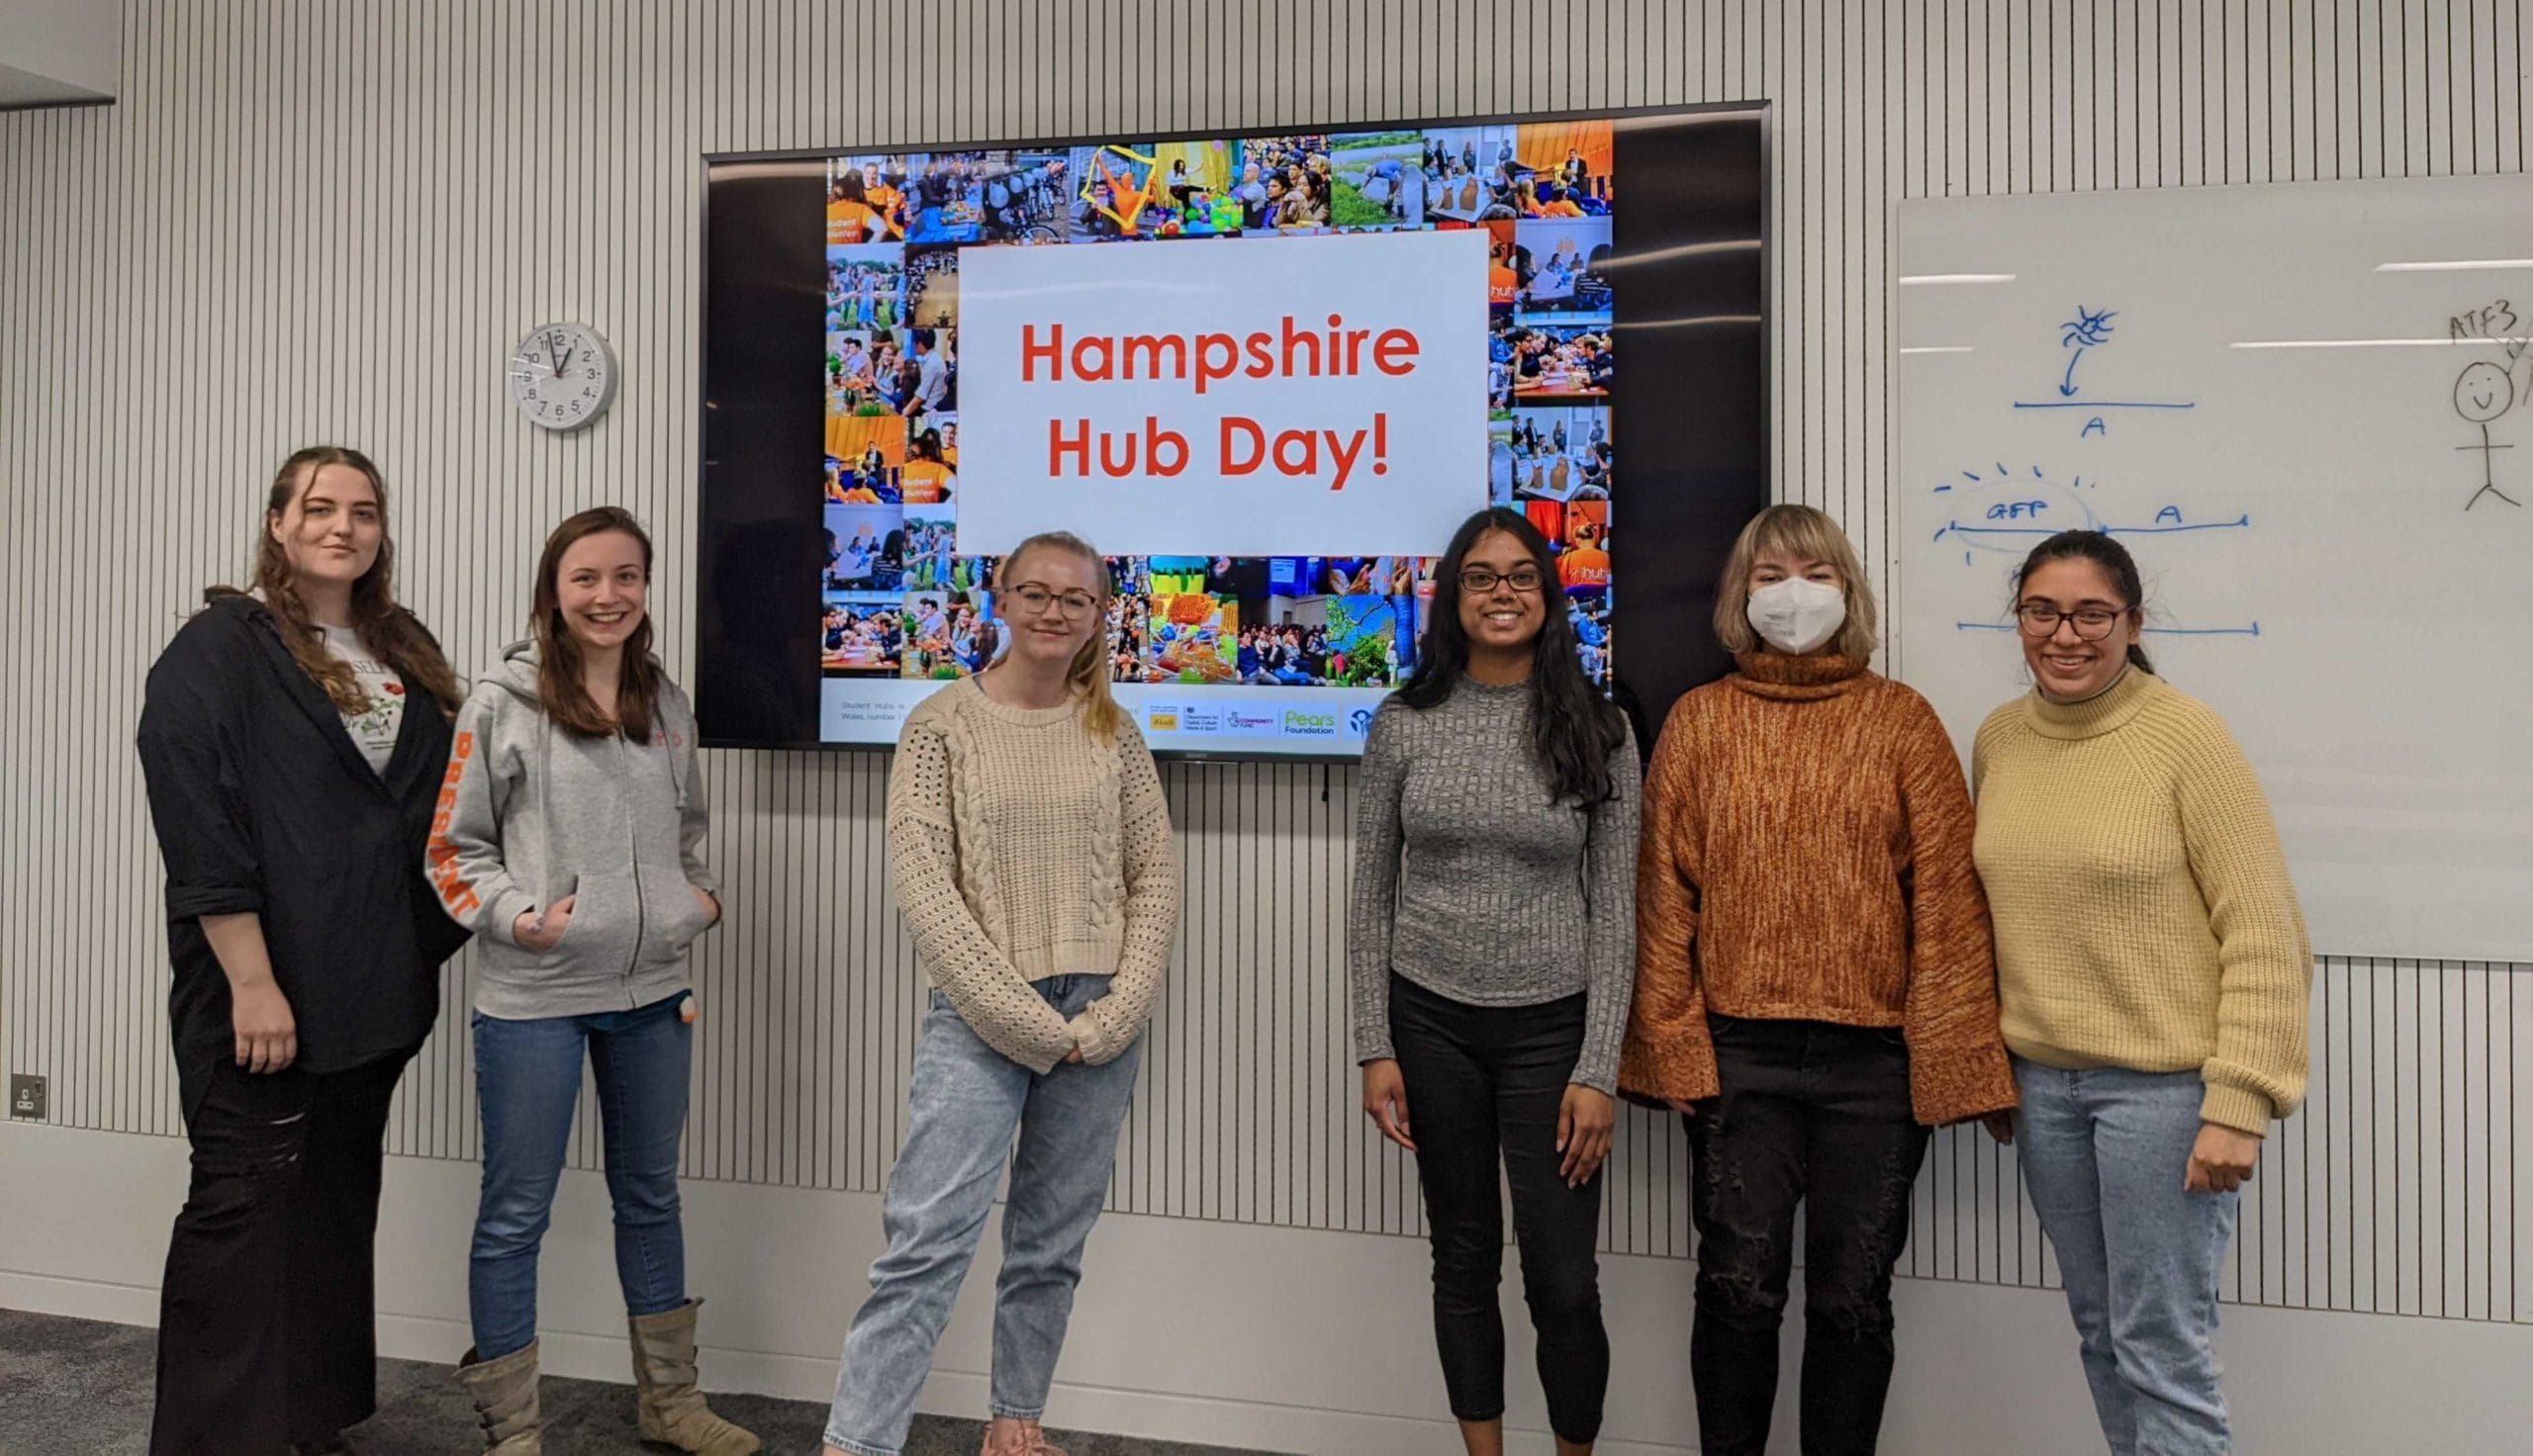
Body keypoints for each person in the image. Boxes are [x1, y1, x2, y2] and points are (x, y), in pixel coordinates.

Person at [1621, 504, 2014, 1456]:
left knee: (1851, 1303)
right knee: (1736, 1294)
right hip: (1739, 1058)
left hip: (1874, 1070)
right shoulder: (1700, 723)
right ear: (1737, 596)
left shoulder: (1904, 721)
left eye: (1815, 571)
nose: (1792, 592)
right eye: (1768, 574)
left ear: (1849, 589)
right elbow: (1662, 901)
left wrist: (1959, 1060)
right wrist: (1673, 1045)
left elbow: (1950, 910)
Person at [136, 447, 472, 1456]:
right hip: (258, 994)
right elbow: (199, 819)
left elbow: (430, 811)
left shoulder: (398, 647)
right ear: (278, 522)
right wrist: (251, 979)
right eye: (319, 508)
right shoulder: (221, 646)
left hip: (370, 995)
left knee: (330, 1212)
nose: (342, 527)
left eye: (362, 511)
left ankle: (305, 1415)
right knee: (241, 1211)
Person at [822, 531, 1180, 1456]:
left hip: (1099, 1022)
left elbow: (1155, 878)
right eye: (1036, 592)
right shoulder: (940, 725)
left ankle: (1016, 1423)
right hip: (985, 1020)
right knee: (924, 1246)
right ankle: (856, 1443)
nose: (1055, 611)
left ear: (1100, 614)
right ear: (1000, 599)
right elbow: (927, 894)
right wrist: (1033, 1024)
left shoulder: (1115, 730)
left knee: (1050, 1244)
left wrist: (1113, 1013)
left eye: (1076, 599)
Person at [1974, 529, 2311, 1455]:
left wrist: (2242, 1101)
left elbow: (2266, 931)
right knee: (2101, 1331)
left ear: (2133, 621)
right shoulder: (2000, 738)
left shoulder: (2185, 735)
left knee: (2162, 1345)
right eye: (2042, 611)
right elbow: (1999, 917)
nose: (2065, 634)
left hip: (2164, 1098)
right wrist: (1992, 1067)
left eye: (2091, 613)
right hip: (2045, 1092)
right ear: (2020, 619)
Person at [429, 507, 758, 1455]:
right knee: (514, 1213)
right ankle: (514, 1434)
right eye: (586, 578)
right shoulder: (503, 701)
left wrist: (697, 899)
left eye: (626, 577)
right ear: (554, 588)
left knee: (650, 1194)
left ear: (646, 589)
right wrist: (520, 919)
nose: (607, 596)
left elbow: (688, 827)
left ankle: (669, 1404)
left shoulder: (668, 702)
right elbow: (453, 849)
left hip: (653, 993)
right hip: (533, 999)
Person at [1353, 507, 1640, 1456]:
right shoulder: (1402, 724)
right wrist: (1374, 1046)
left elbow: (1616, 912)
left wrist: (1599, 1069)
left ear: (1551, 598)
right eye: (1481, 577)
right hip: (1428, 1026)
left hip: (1554, 1037)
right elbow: (1370, 900)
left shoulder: (1600, 729)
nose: (1503, 592)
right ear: (1453, 596)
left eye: (1521, 575)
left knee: (1562, 1279)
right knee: (1463, 1261)